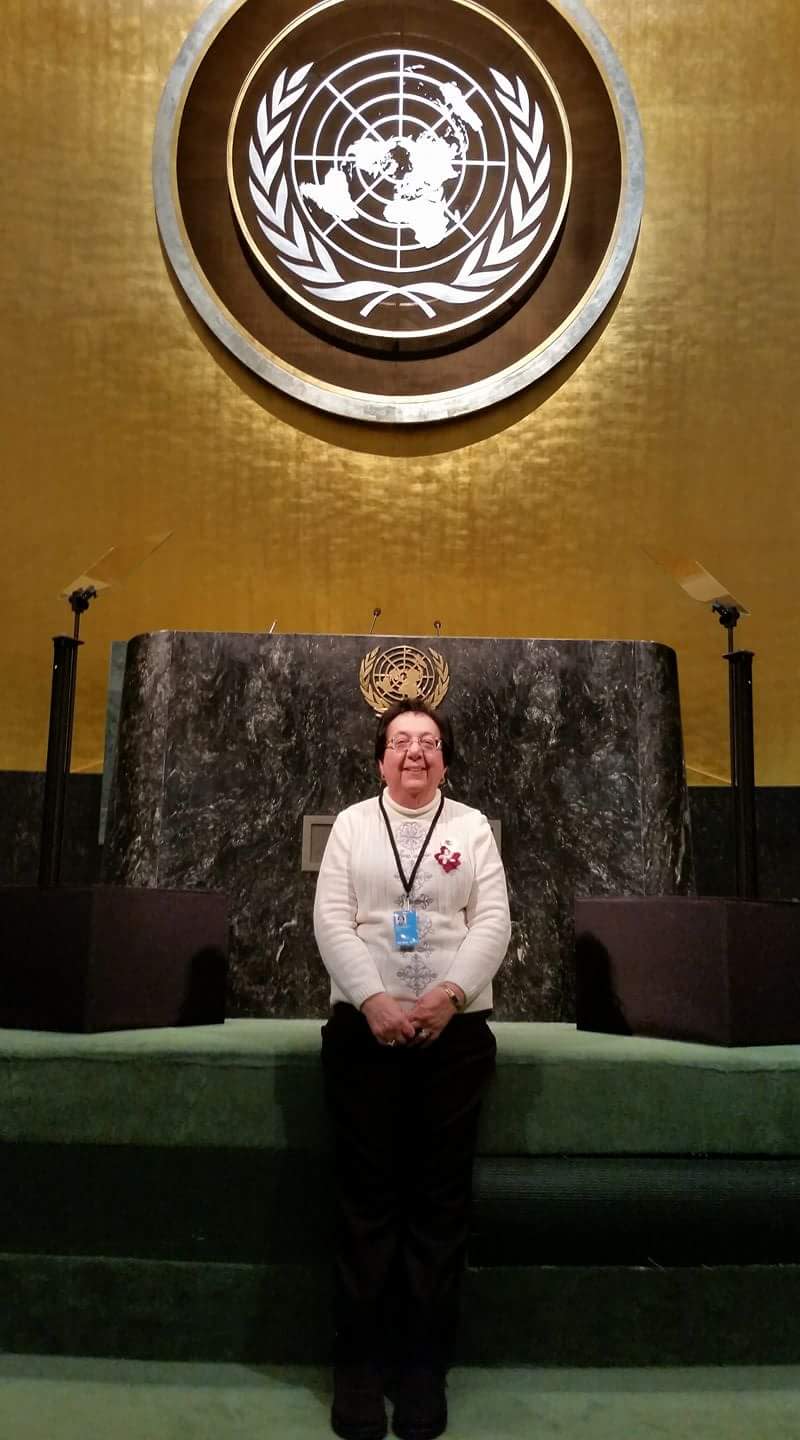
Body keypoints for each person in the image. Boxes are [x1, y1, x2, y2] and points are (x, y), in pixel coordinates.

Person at [314, 698, 511, 1440]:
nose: (415, 753)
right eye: (401, 741)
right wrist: (373, 1000)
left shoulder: (471, 828)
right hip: (365, 1038)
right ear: (380, 758)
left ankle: (424, 1368)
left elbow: (491, 920)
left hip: (451, 1040)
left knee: (438, 1208)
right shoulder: (351, 826)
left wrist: (447, 996)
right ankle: (359, 1368)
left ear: (446, 759)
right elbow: (331, 919)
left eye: (429, 742)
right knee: (366, 1205)